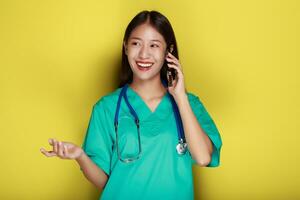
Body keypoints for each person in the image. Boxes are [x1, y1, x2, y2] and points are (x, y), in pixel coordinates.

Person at [40, 10, 222, 200]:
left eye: (154, 45)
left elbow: (203, 158)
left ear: (168, 51)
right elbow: (106, 182)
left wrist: (180, 97)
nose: (144, 54)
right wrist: (80, 156)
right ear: (126, 47)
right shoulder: (106, 108)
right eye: (136, 44)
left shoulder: (189, 104)